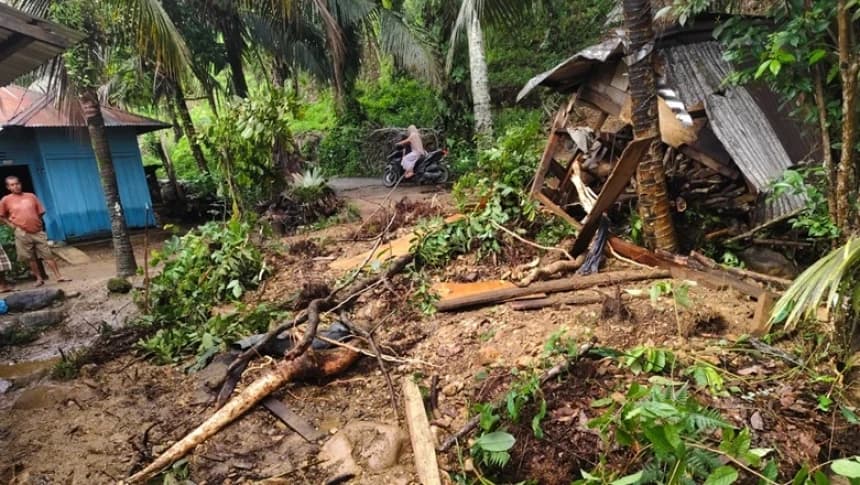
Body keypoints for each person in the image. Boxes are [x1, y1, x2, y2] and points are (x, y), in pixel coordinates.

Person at [0, 176, 68, 286]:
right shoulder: (5, 200)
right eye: (12, 185)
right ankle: (39, 279)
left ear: (20, 184)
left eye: (17, 183)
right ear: (8, 187)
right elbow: (1, 216)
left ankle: (59, 276)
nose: (16, 186)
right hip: (21, 232)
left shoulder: (31, 196)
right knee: (29, 257)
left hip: (37, 231)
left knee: (47, 254)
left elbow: (41, 212)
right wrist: (12, 225)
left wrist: (35, 221)